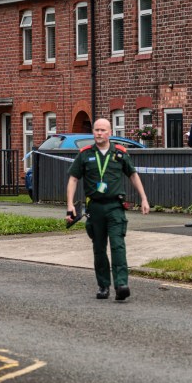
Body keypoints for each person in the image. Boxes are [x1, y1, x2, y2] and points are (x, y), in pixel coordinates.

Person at [66, 118, 150, 301]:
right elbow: (73, 179)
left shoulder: (119, 153)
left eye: (103, 130)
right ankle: (103, 285)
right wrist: (70, 205)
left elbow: (133, 175)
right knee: (99, 248)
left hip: (115, 207)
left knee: (118, 245)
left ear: (110, 133)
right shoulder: (85, 154)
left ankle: (121, 284)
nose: (99, 133)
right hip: (95, 207)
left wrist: (144, 198)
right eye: (96, 130)